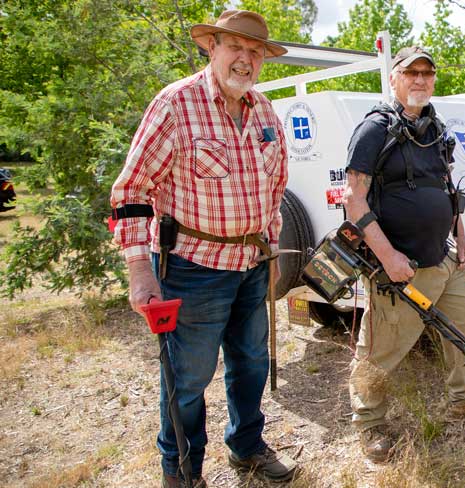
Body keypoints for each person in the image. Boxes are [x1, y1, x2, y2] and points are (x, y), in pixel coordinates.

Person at [110, 10, 298, 486]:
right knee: (188, 379)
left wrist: (270, 246)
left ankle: (247, 446)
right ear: (210, 47)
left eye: (255, 52)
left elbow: (275, 186)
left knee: (251, 364)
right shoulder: (177, 104)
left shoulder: (265, 110)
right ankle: (182, 470)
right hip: (193, 268)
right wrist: (139, 270)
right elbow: (131, 191)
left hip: (252, 263)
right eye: (235, 47)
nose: (246, 59)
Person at [342, 46, 465, 463]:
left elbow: (448, 191)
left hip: (444, 258)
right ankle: (370, 425)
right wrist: (387, 257)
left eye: (427, 72)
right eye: (410, 72)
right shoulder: (374, 129)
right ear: (394, 79)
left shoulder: (435, 128)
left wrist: (461, 237)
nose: (420, 79)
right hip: (399, 268)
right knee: (382, 349)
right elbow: (353, 199)